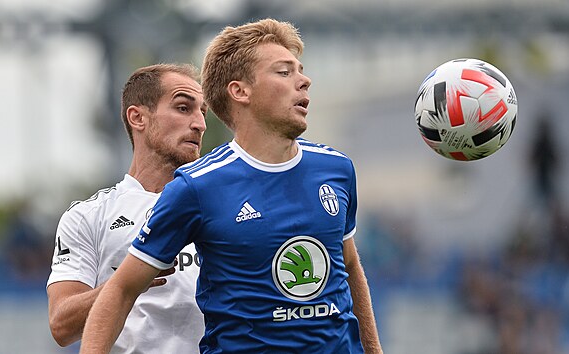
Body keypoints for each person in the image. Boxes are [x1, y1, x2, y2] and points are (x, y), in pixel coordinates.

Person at [81, 19, 383, 354]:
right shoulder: (197, 186)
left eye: (300, 70)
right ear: (240, 91)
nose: (304, 81)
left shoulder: (336, 169)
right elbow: (121, 289)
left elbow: (350, 266)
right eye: (284, 72)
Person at [47, 63, 207, 353]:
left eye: (202, 112)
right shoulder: (88, 216)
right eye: (184, 108)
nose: (200, 124)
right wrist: (128, 282)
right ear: (138, 118)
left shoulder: (222, 206)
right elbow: (61, 325)